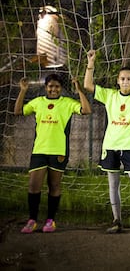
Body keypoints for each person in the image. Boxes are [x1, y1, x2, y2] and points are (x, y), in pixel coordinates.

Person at [84, 46, 130, 234]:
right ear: (118, 81)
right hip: (110, 146)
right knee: (113, 184)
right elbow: (88, 86)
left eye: (129, 79)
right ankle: (116, 220)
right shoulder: (109, 95)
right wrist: (91, 63)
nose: (126, 81)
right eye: (123, 79)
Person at [15, 75, 92, 233]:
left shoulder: (67, 103)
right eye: (50, 86)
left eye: (57, 86)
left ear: (61, 88)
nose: (53, 89)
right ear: (45, 87)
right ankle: (32, 220)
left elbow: (86, 110)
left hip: (59, 151)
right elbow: (18, 112)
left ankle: (50, 220)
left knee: (54, 185)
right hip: (39, 150)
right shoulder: (38, 102)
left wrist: (79, 91)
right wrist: (23, 91)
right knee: (33, 185)